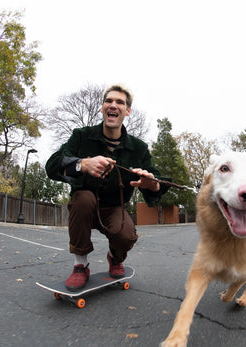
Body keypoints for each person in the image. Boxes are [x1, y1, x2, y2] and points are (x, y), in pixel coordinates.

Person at [45, 84, 168, 291]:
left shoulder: (139, 148)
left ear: (127, 111)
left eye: (120, 102)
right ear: (102, 108)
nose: (113, 105)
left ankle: (115, 257)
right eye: (108, 101)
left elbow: (156, 180)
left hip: (114, 208)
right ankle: (80, 266)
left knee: (127, 235)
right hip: (85, 204)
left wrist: (152, 184)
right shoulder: (81, 136)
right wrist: (82, 164)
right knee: (83, 199)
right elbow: (52, 165)